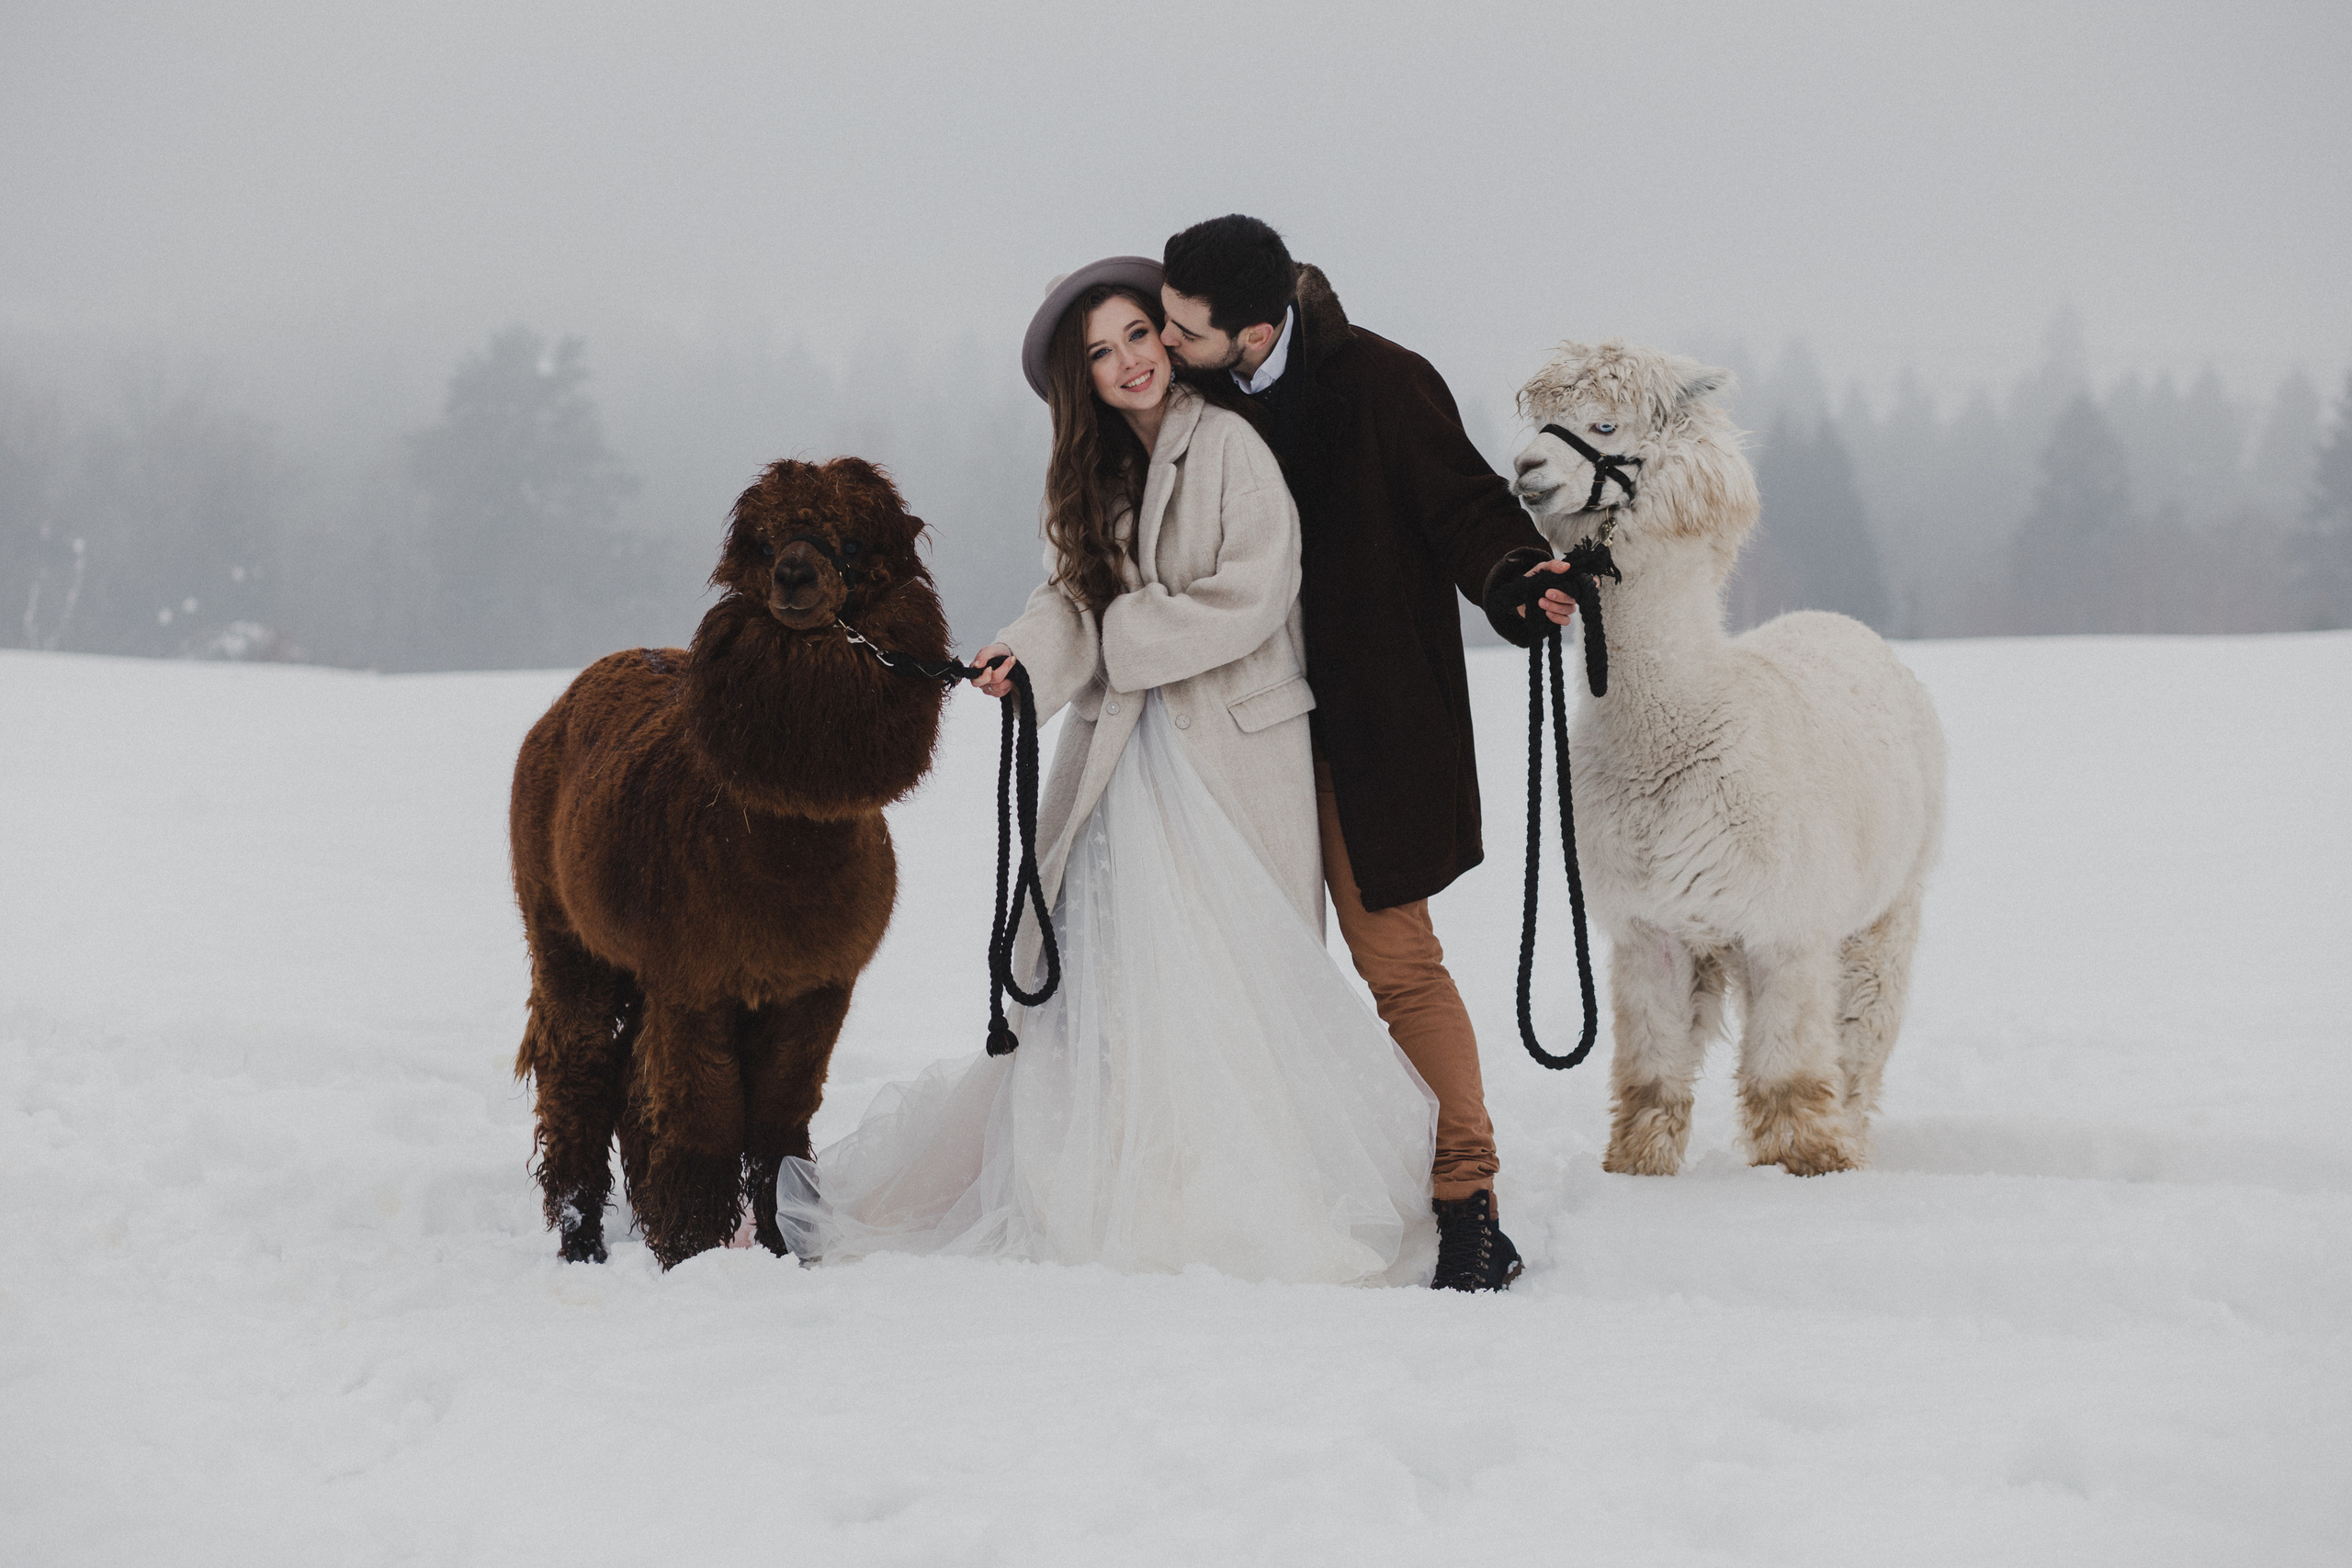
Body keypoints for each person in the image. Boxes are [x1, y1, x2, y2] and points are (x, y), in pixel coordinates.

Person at [776, 257, 1440, 1287]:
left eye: (1138, 335)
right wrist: (1024, 657)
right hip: (1123, 766)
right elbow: (1064, 604)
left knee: (1230, 981)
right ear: (1078, 378)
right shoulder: (1086, 481)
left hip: (1228, 756)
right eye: (1100, 351)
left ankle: (1242, 1188)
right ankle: (1113, 1174)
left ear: (1166, 340)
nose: (1128, 361)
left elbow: (1252, 594)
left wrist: (1116, 637)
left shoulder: (1230, 447)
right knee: (1114, 979)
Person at [1156, 215, 1576, 1292]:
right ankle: (1263, 1185)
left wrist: (1517, 581)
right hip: (1236, 737)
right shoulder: (1186, 408)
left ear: (1253, 335)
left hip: (1365, 737)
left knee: (1396, 963)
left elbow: (1466, 508)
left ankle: (1468, 1196)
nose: (1165, 344)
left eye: (1184, 330)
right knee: (1241, 970)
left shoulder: (1385, 384)